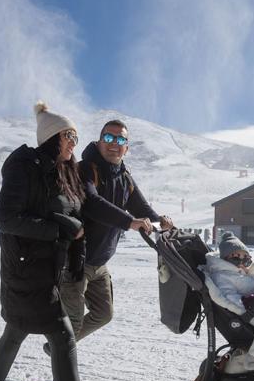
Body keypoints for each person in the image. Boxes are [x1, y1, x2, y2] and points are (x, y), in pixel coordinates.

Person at [0, 101, 119, 381]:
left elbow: (81, 210)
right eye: (69, 135)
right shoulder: (24, 166)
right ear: (53, 136)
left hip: (47, 269)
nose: (74, 142)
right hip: (26, 269)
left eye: (75, 136)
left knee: (16, 330)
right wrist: (60, 228)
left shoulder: (62, 172)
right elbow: (7, 219)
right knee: (63, 335)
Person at [54, 119, 174, 355]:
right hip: (75, 262)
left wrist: (163, 223)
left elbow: (141, 208)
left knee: (103, 314)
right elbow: (93, 204)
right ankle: (63, 379)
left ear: (126, 148)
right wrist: (130, 222)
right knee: (73, 324)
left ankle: (59, 347)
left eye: (120, 140)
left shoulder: (125, 176)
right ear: (99, 142)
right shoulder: (85, 169)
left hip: (100, 263)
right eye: (109, 138)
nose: (114, 144)